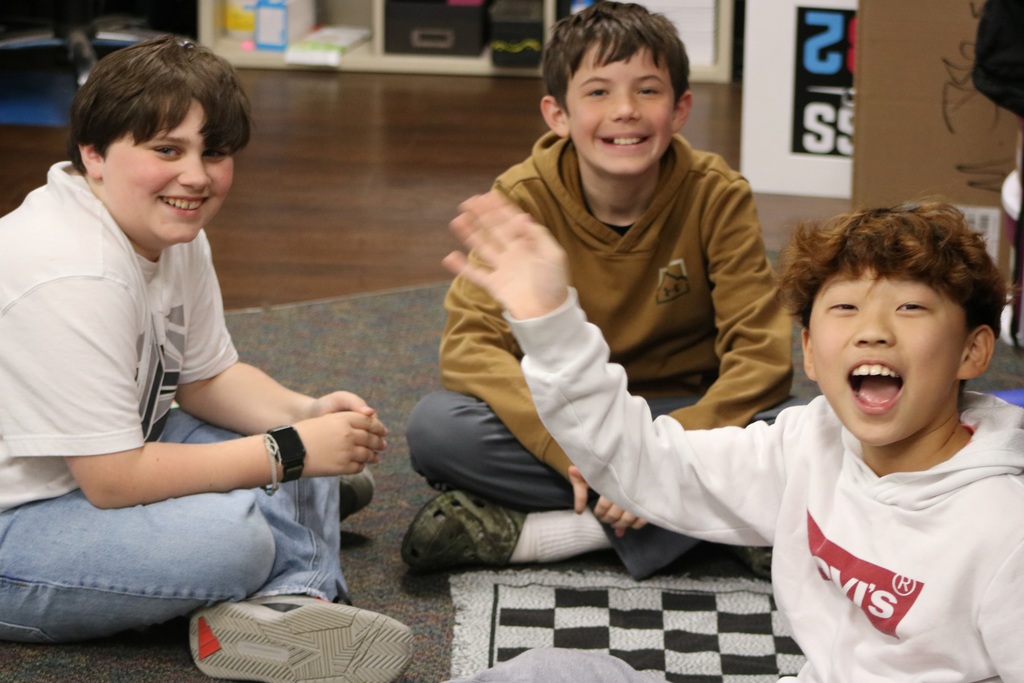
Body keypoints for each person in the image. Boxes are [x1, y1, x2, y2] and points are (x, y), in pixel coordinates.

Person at [438, 191, 1024, 681]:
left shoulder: (1005, 531)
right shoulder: (807, 441)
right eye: (845, 306)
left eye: (911, 308)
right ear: (811, 355)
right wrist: (549, 322)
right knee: (546, 675)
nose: (872, 331)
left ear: (972, 350)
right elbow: (646, 464)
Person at [0, 36, 412, 683]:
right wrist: (293, 452)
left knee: (281, 444)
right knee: (236, 537)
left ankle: (292, 597)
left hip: (108, 456)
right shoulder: (71, 271)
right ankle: (291, 549)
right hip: (18, 525)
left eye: (213, 152)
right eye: (167, 149)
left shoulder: (166, 222)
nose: (195, 175)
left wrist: (305, 412)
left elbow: (205, 378)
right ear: (94, 154)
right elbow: (113, 479)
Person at [402, 1, 795, 580]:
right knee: (438, 429)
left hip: (680, 417)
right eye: (598, 93)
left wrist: (654, 459)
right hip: (567, 418)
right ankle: (718, 522)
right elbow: (469, 350)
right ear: (557, 114)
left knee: (814, 427)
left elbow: (760, 356)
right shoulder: (521, 197)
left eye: (648, 91)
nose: (626, 112)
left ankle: (555, 532)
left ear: (681, 108)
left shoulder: (717, 193)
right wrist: (580, 456)